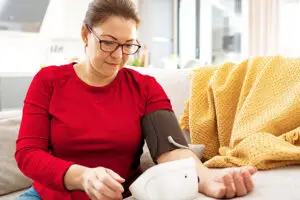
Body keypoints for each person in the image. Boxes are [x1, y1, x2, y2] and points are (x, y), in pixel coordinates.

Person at [15, 0, 256, 199]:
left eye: (128, 45)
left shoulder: (144, 87)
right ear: (85, 35)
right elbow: (28, 153)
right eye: (108, 42)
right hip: (49, 195)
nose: (118, 56)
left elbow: (170, 148)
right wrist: (84, 176)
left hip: (120, 195)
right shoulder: (48, 81)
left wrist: (208, 181)